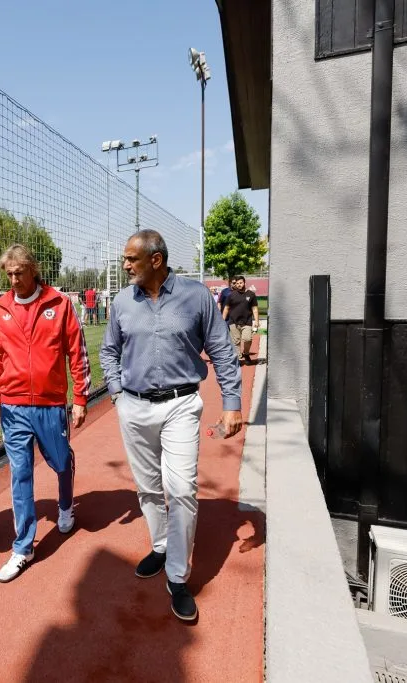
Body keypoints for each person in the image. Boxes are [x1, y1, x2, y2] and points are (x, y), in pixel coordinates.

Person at [100, 230, 243, 621]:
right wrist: (116, 394)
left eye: (131, 259)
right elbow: (109, 351)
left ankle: (178, 576)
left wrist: (232, 403)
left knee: (181, 489)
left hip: (181, 405)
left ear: (156, 260)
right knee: (147, 486)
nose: (125, 265)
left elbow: (222, 351)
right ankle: (161, 545)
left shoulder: (196, 297)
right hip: (133, 406)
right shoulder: (121, 302)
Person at [0, 244, 91, 583]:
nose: (14, 280)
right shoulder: (0, 309)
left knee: (60, 462)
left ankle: (64, 505)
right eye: (9, 274)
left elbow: (77, 351)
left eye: (19, 273)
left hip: (50, 404)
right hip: (14, 406)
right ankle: (23, 547)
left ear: (33, 270)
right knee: (20, 474)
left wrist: (81, 398)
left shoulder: (59, 304)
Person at [222, 275, 261, 364]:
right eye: (237, 283)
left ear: (244, 283)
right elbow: (226, 308)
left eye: (241, 283)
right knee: (236, 341)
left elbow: (254, 308)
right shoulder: (231, 295)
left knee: (247, 339)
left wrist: (257, 321)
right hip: (233, 322)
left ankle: (246, 354)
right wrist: (222, 320)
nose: (239, 285)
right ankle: (238, 358)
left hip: (247, 321)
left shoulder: (251, 294)